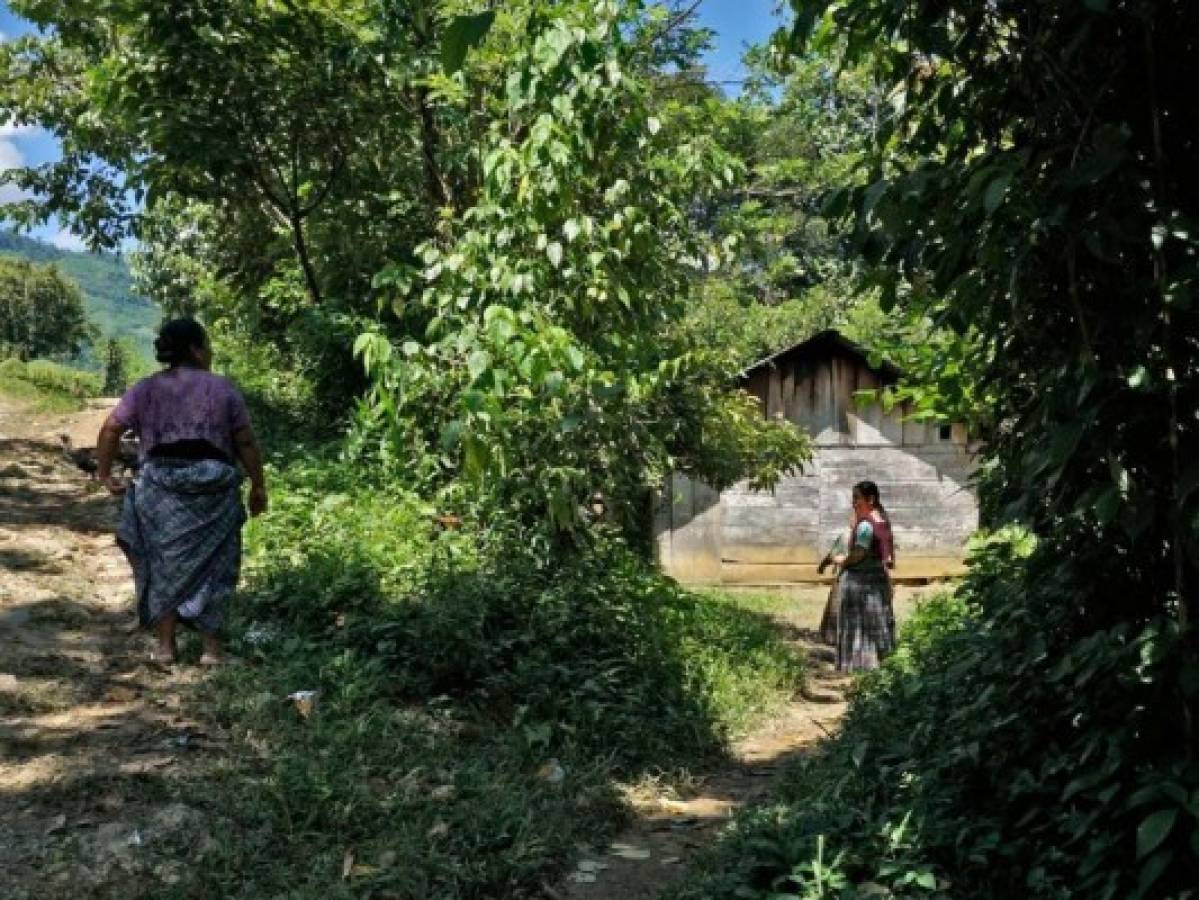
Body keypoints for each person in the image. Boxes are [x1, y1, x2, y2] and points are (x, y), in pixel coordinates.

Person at [95, 318, 268, 665]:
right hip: (214, 488)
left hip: (159, 486)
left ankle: (165, 648)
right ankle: (212, 651)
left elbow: (112, 427)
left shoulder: (146, 389)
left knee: (162, 562)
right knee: (216, 565)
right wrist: (258, 485)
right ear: (195, 349)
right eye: (206, 345)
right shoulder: (223, 390)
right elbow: (245, 441)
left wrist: (104, 473)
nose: (211, 352)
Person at [831, 480, 896, 671]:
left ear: (871, 499)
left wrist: (842, 561)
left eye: (857, 498)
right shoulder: (882, 520)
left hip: (861, 582)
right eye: (853, 498)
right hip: (877, 580)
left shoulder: (867, 526)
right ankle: (880, 663)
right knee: (877, 622)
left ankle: (859, 665)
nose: (853, 503)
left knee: (859, 624)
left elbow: (859, 553)